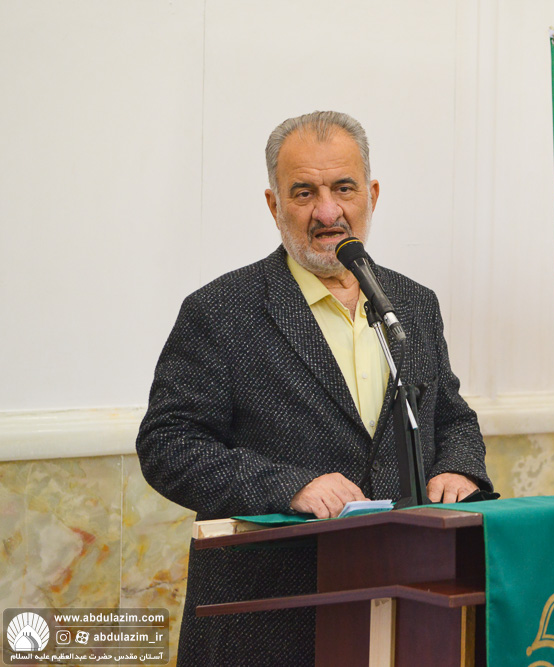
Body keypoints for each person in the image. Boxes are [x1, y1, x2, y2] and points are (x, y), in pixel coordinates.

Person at [136, 111, 491, 665]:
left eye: (343, 188)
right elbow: (167, 446)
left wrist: (459, 467)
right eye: (304, 193)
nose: (328, 212)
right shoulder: (221, 311)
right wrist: (290, 486)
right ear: (274, 205)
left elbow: (451, 417)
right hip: (268, 622)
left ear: (372, 194)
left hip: (404, 605)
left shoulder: (412, 304)